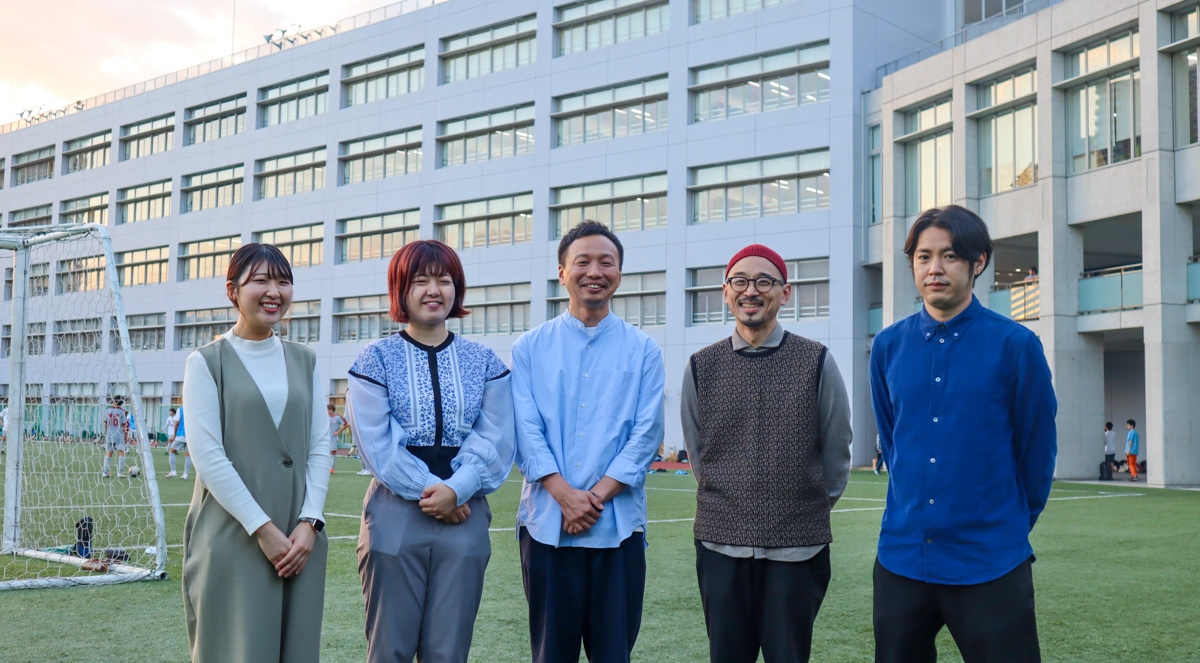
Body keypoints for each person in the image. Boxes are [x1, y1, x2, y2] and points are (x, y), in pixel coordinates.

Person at [870, 205, 1057, 663]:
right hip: (902, 559)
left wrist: (1005, 526)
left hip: (990, 561)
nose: (935, 268)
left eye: (950, 256)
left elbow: (1036, 454)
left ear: (979, 262)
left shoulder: (1017, 346)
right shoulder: (887, 346)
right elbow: (892, 440)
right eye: (924, 256)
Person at [681, 244, 852, 663]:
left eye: (763, 281)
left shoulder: (816, 360)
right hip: (721, 546)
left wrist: (797, 508)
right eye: (740, 281)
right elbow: (700, 455)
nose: (751, 291)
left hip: (798, 549)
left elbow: (837, 453)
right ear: (726, 292)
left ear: (784, 292)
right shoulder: (702, 365)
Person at [346, 239, 515, 663]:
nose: (433, 290)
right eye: (420, 280)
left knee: (449, 649)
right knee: (390, 647)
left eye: (444, 280)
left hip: (466, 511)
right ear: (400, 290)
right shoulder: (375, 359)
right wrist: (433, 491)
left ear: (458, 288)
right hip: (395, 510)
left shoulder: (484, 360)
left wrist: (458, 489)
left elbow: (497, 435)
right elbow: (376, 443)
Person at [512, 220, 665, 663]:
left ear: (619, 274)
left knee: (614, 654)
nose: (594, 271)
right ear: (562, 272)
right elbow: (525, 430)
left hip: (618, 528)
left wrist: (592, 499)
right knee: (550, 654)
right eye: (582, 262)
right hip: (546, 526)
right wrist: (563, 495)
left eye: (606, 262)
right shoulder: (529, 348)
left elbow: (646, 435)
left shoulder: (644, 350)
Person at [181, 243, 331, 662]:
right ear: (233, 290)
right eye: (260, 280)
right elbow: (208, 457)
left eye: (284, 281)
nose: (274, 292)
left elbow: (320, 445)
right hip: (233, 535)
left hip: (300, 541)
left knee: (297, 651)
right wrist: (263, 529)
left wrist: (311, 524)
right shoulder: (205, 362)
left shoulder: (305, 360)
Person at [102, 397, 130, 478]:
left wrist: (107, 433)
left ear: (113, 402)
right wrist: (126, 436)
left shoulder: (108, 411)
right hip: (119, 435)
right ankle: (120, 473)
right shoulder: (122, 412)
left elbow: (105, 423)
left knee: (109, 453)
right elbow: (124, 425)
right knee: (121, 452)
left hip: (110, 435)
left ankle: (105, 472)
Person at [165, 407, 192, 479]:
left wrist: (174, 435)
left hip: (181, 435)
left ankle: (173, 471)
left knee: (171, 451)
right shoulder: (194, 408)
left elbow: (177, 423)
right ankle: (185, 474)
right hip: (190, 436)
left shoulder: (180, 409)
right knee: (188, 455)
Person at [327, 404, 349, 474]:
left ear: (331, 410)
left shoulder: (338, 417)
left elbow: (346, 425)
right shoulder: (326, 417)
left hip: (333, 438)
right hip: (326, 437)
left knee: (333, 452)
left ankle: (332, 468)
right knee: (326, 453)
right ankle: (326, 468)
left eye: (328, 410)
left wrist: (338, 431)